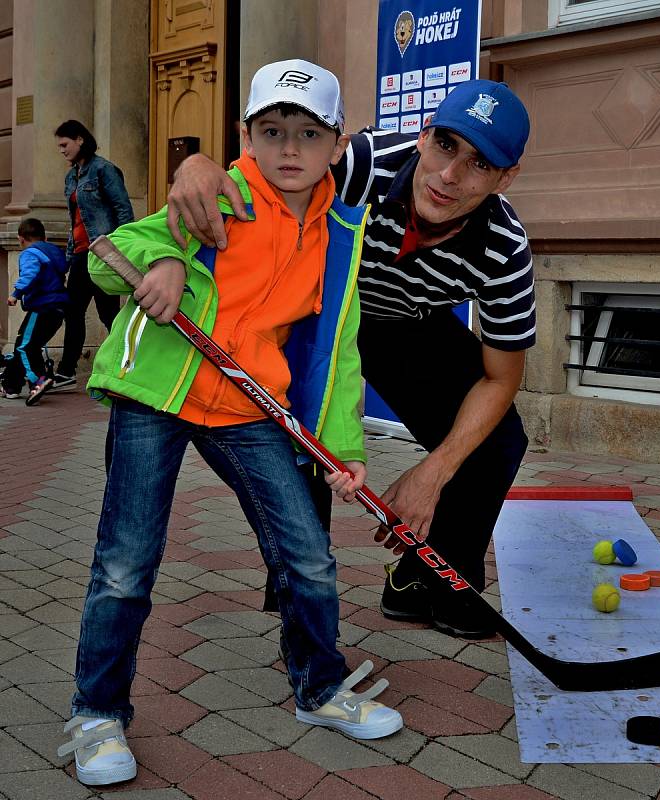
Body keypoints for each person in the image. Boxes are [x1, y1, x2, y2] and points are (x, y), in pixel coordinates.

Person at [57, 59, 402, 788]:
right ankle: (97, 713)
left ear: (338, 144)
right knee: (125, 564)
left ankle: (318, 687)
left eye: (308, 134)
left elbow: (339, 344)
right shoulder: (219, 191)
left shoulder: (342, 229)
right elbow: (108, 265)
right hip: (160, 393)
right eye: (272, 130)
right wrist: (168, 262)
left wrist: (342, 446)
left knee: (306, 554)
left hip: (248, 406)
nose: (288, 149)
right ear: (245, 134)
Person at [167, 79, 536, 640]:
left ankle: (431, 579)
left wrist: (432, 472)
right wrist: (196, 165)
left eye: (480, 164)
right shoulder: (361, 163)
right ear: (422, 135)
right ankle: (300, 594)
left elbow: (500, 376)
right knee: (306, 435)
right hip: (317, 312)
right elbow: (264, 174)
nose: (449, 176)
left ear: (506, 178)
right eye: (445, 146)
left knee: (498, 440)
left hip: (407, 327)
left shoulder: (504, 247)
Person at [52, 120, 134, 391]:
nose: (61, 150)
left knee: (109, 314)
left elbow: (123, 210)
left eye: (65, 144)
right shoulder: (71, 176)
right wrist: (67, 257)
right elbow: (74, 220)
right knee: (73, 312)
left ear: (80, 140)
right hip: (79, 256)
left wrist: (120, 249)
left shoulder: (104, 170)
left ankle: (128, 365)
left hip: (102, 254)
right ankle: (67, 371)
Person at [1, 218, 68, 406]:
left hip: (42, 306)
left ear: (21, 239)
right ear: (44, 237)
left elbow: (30, 273)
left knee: (24, 346)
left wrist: (16, 294)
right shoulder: (54, 251)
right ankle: (11, 386)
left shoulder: (30, 253)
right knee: (28, 346)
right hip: (58, 308)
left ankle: (38, 380)